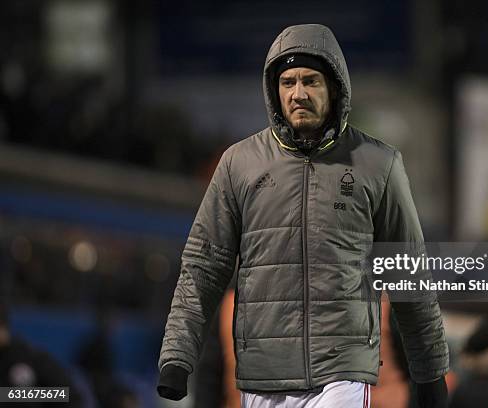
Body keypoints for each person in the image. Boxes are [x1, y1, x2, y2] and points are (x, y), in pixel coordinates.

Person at [157, 24, 449, 408]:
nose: (298, 94)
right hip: (263, 375)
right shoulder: (238, 164)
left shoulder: (379, 164)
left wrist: (429, 370)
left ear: (335, 87)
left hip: (342, 371)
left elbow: (408, 269)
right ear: (274, 91)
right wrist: (177, 356)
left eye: (310, 81)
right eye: (287, 82)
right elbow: (203, 267)